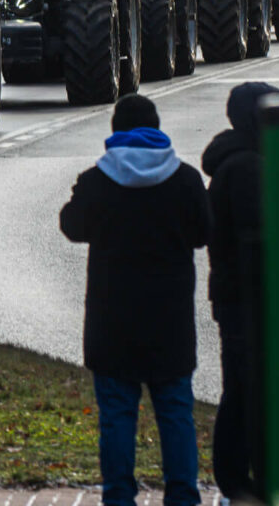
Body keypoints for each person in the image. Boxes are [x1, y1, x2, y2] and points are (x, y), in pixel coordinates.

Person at [60, 93, 210, 506]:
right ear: (157, 128)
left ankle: (119, 497)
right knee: (176, 413)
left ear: (114, 131)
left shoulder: (96, 180)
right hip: (171, 320)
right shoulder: (185, 180)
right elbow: (203, 232)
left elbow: (72, 226)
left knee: (117, 417)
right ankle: (182, 496)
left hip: (113, 321)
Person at [203, 81, 279, 503]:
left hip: (234, 294)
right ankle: (240, 477)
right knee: (247, 388)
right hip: (247, 297)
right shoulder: (248, 167)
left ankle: (238, 475)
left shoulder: (238, 161)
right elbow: (259, 235)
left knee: (241, 386)